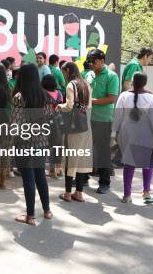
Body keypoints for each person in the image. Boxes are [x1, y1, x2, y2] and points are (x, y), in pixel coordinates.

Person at [11, 63, 53, 226]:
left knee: (28, 178)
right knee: (41, 176)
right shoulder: (44, 95)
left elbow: (15, 122)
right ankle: (47, 211)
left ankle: (30, 216)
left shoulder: (19, 97)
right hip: (41, 142)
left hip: (24, 143)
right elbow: (49, 116)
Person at [113, 72, 153, 203]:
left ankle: (127, 195)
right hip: (146, 135)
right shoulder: (151, 98)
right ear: (145, 83)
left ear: (133, 81)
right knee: (147, 164)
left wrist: (115, 133)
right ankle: (146, 193)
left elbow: (117, 117)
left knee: (129, 164)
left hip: (127, 134)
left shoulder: (123, 96)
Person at [57, 62, 93, 203]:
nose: (63, 75)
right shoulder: (86, 84)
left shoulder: (71, 85)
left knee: (70, 158)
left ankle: (67, 193)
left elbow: (69, 106)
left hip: (73, 128)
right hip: (85, 126)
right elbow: (88, 106)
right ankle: (79, 193)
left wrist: (60, 106)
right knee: (81, 158)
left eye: (63, 72)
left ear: (68, 71)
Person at [89, 49, 119, 194]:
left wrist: (91, 101)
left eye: (93, 61)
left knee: (102, 150)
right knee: (87, 149)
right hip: (88, 117)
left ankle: (104, 182)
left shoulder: (112, 76)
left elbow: (111, 98)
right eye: (90, 61)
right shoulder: (90, 74)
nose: (91, 64)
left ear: (102, 61)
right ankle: (83, 178)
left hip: (103, 118)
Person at [41, 74, 63, 179]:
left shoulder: (41, 93)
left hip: (45, 122)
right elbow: (60, 107)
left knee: (46, 146)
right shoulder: (59, 93)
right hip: (57, 122)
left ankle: (50, 169)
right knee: (56, 145)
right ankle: (58, 169)